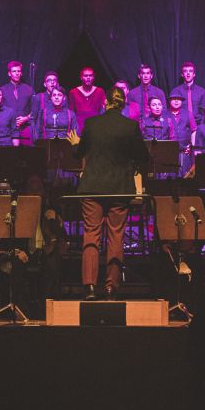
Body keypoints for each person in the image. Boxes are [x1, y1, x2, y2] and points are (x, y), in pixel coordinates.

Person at [66, 87, 149, 299]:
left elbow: (80, 152)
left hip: (93, 187)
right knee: (116, 237)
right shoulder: (130, 126)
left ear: (105, 103)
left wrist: (75, 144)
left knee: (91, 236)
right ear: (122, 104)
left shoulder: (92, 124)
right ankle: (111, 286)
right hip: (119, 189)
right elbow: (143, 156)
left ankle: (89, 287)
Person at [0, 60, 34, 144]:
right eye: (14, 71)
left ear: (21, 73)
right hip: (8, 130)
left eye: (19, 71)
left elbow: (35, 109)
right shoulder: (2, 90)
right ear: (9, 73)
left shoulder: (29, 89)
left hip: (25, 129)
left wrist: (26, 118)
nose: (17, 73)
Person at [165, 93, 195, 175]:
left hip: (185, 150)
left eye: (178, 99)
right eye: (174, 99)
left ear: (181, 101)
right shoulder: (164, 114)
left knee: (186, 176)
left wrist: (191, 145)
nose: (176, 101)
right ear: (169, 101)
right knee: (171, 175)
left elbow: (194, 130)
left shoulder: (188, 113)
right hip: (170, 151)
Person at [68, 67, 106, 132]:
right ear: (81, 77)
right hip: (78, 126)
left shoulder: (100, 91)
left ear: (93, 77)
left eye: (90, 75)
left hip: (96, 125)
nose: (88, 78)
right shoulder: (73, 92)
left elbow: (103, 110)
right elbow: (71, 112)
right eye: (85, 76)